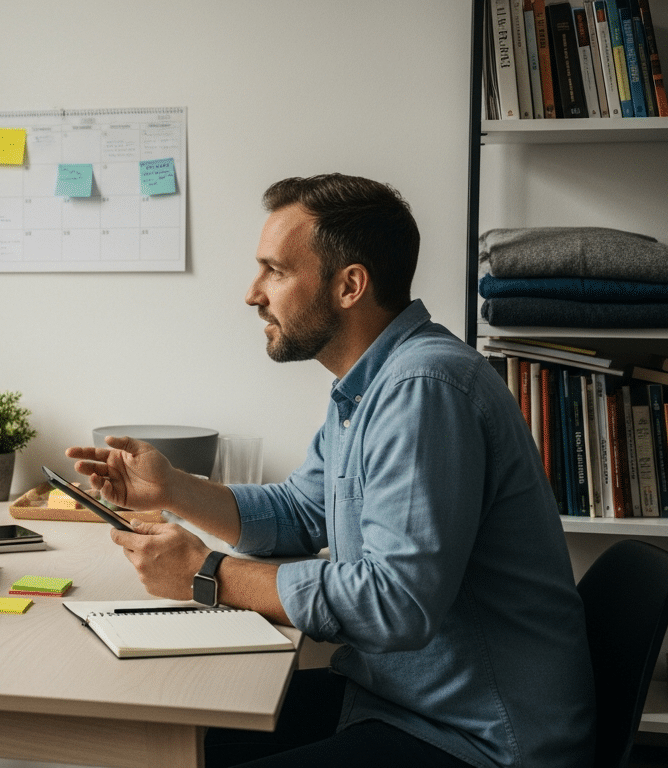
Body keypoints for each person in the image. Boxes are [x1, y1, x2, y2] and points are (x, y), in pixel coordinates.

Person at [67, 174, 595, 768]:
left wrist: (205, 574)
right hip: (398, 703)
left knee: (180, 738)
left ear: (349, 285)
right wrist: (171, 489)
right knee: (178, 732)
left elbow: (394, 603)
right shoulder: (368, 386)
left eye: (275, 270)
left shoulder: (424, 390)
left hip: (477, 740)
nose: (252, 293)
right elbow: (300, 512)